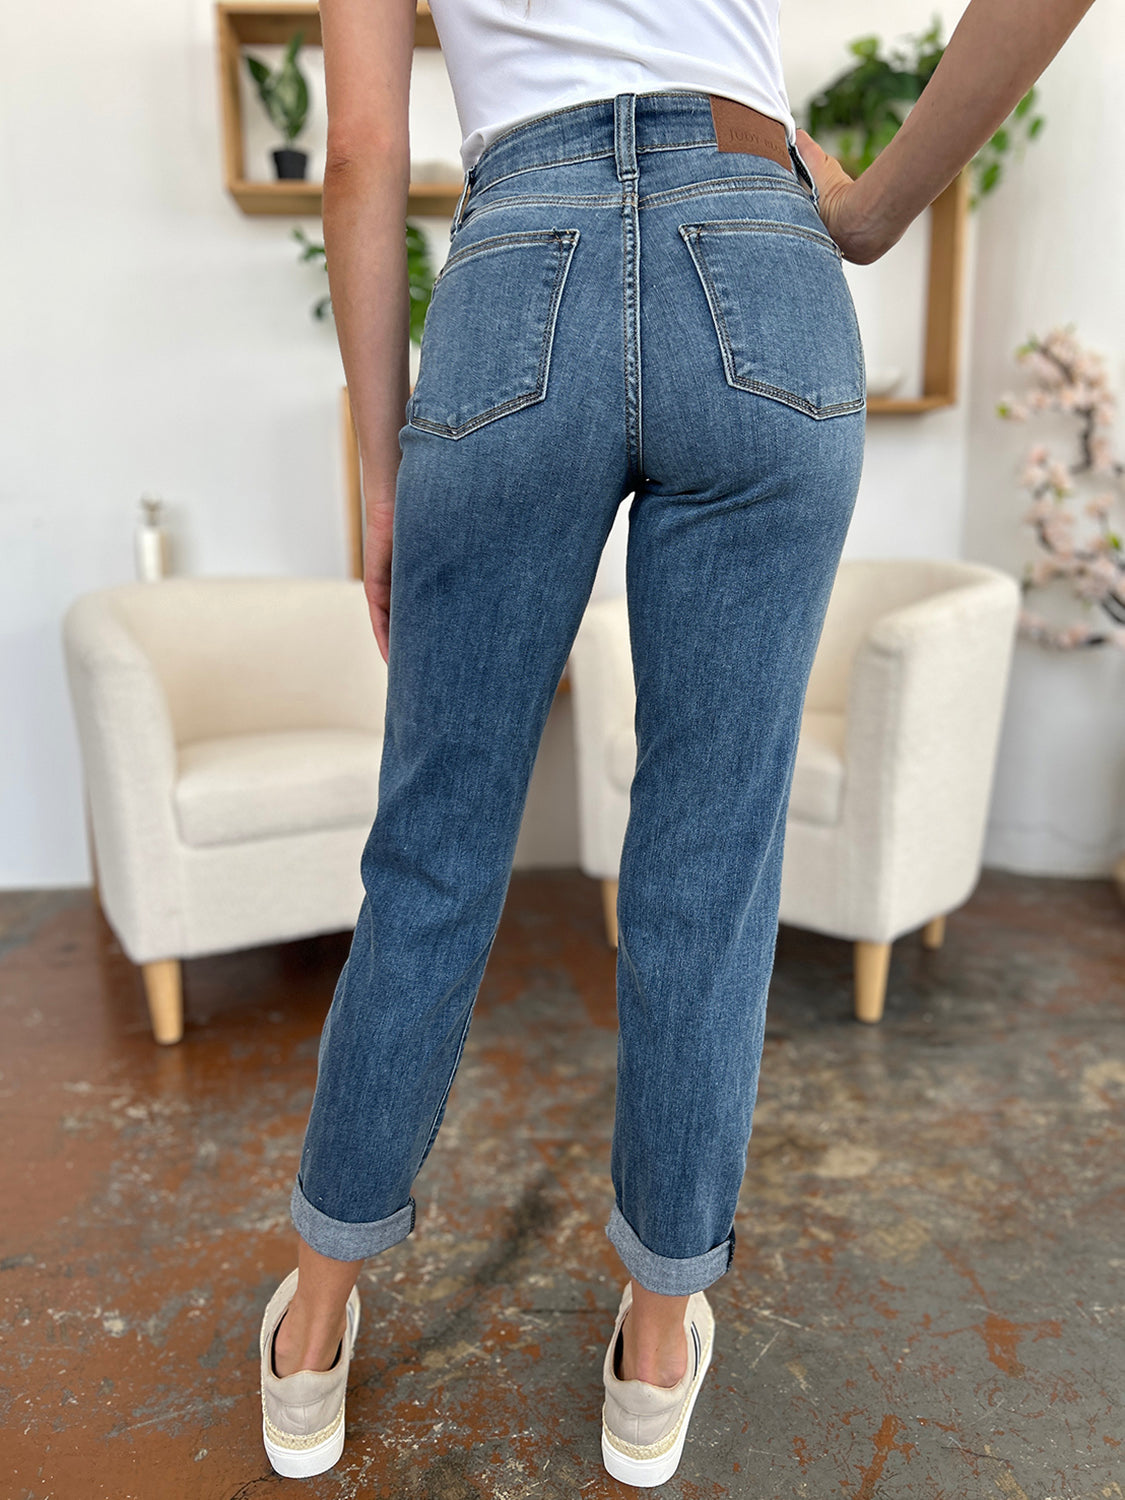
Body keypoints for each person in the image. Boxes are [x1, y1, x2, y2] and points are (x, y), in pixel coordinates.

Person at [256, 0, 1097, 1486]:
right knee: (706, 859)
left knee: (435, 848)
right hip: (757, 256)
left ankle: (316, 1323)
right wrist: (876, 203)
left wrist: (387, 472)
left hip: (520, 267)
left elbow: (366, 148)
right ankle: (654, 1346)